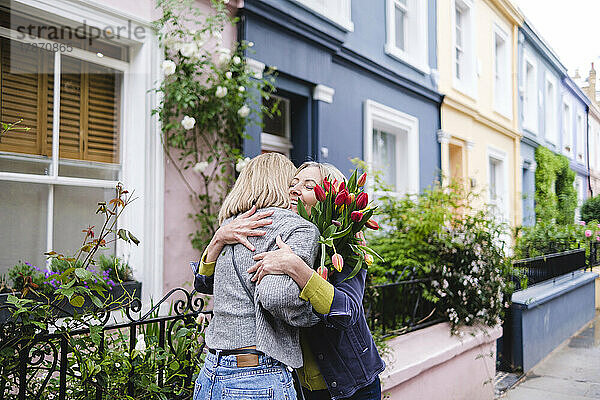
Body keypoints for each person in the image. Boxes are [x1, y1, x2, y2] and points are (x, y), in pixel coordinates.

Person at [195, 161, 385, 400]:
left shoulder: (344, 249)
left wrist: (296, 267)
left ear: (331, 198)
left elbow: (345, 312)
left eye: (309, 186)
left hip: (350, 385)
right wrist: (218, 239)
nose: (295, 190)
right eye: (292, 184)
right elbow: (208, 285)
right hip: (299, 386)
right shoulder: (282, 235)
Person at [192, 153, 320, 400]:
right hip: (256, 375)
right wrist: (316, 314)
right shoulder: (296, 227)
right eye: (292, 181)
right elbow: (276, 297)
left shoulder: (231, 226)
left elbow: (206, 283)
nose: (295, 189)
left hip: (210, 373)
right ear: (283, 182)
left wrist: (218, 236)